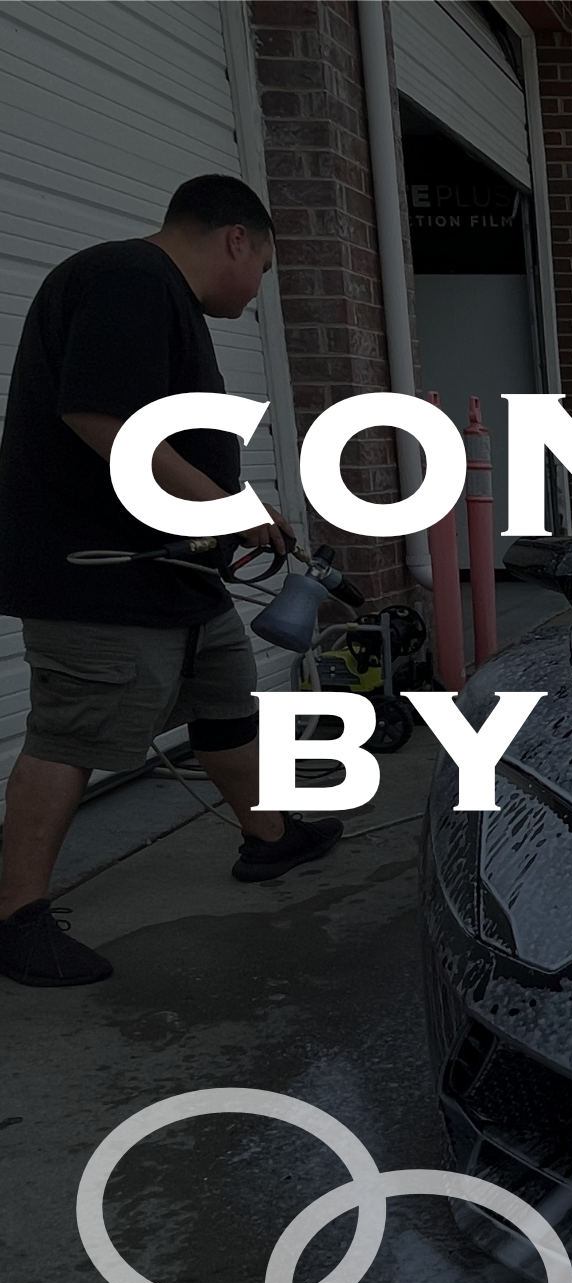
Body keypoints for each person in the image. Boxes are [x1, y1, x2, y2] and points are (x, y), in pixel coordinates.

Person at [0, 175, 342, 988]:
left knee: (225, 695)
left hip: (174, 572)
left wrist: (236, 508)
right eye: (262, 269)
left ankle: (269, 838)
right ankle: (14, 918)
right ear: (236, 239)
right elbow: (101, 417)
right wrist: (229, 507)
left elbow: (158, 436)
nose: (255, 293)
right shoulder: (128, 278)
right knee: (73, 729)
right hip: (100, 577)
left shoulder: (159, 296)